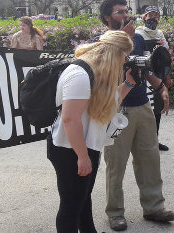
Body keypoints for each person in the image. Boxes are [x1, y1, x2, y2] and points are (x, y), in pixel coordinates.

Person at [99, 0, 174, 231]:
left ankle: (153, 207)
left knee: (149, 158)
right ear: (107, 17)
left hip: (142, 104)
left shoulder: (139, 39)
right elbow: (111, 65)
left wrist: (160, 87)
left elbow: (144, 67)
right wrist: (126, 36)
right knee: (116, 163)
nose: (125, 15)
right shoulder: (102, 41)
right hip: (116, 108)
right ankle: (115, 212)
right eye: (119, 12)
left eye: (126, 11)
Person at [48, 30, 134, 233]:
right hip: (70, 149)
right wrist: (82, 156)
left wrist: (129, 84)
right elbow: (70, 119)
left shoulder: (97, 71)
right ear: (115, 53)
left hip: (85, 146)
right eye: (125, 57)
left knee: (83, 200)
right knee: (71, 206)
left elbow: (107, 103)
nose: (125, 63)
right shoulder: (79, 74)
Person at [135, 6, 171, 151]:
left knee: (157, 109)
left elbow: (166, 57)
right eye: (150, 15)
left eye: (156, 16)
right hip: (143, 76)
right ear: (144, 17)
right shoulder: (139, 33)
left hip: (157, 75)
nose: (153, 18)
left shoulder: (160, 33)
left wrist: (164, 47)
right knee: (145, 111)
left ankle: (154, 140)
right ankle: (143, 141)